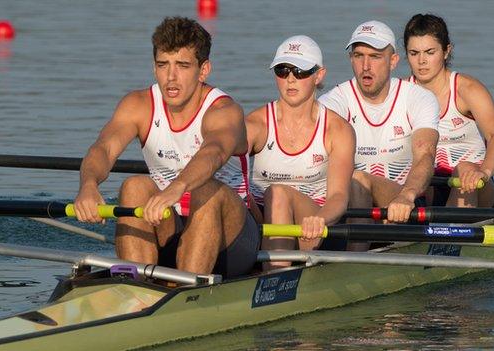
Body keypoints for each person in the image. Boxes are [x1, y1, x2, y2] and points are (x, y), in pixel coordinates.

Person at [73, 17, 259, 279]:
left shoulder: (224, 111)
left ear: (203, 70)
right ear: (154, 67)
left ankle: (185, 296)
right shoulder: (138, 105)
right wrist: (88, 186)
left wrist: (177, 187)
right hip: (170, 225)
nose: (171, 77)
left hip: (232, 241)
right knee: (134, 186)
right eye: (163, 65)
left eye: (182, 66)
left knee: (206, 189)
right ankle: (134, 286)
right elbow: (104, 148)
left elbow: (214, 152)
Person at [247, 35, 355, 269]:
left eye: (301, 71)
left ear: (319, 75)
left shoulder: (337, 129)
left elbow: (338, 198)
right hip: (261, 221)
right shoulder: (255, 124)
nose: (290, 79)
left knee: (279, 194)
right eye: (282, 70)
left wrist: (321, 219)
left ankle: (273, 280)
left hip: (313, 224)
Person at [319, 20, 439, 227]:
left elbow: (425, 155)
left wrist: (407, 195)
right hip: (347, 201)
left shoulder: (419, 98)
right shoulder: (332, 102)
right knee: (356, 182)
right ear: (351, 59)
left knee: (359, 180)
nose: (365, 66)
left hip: (404, 201)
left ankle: (356, 254)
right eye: (358, 56)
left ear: (393, 61)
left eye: (375, 57)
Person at [403, 14, 494, 207]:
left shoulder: (467, 90)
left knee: (464, 169)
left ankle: (452, 231)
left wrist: (483, 172)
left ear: (446, 51)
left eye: (429, 52)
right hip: (426, 187)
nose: (421, 61)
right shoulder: (400, 94)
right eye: (414, 53)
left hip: (473, 185)